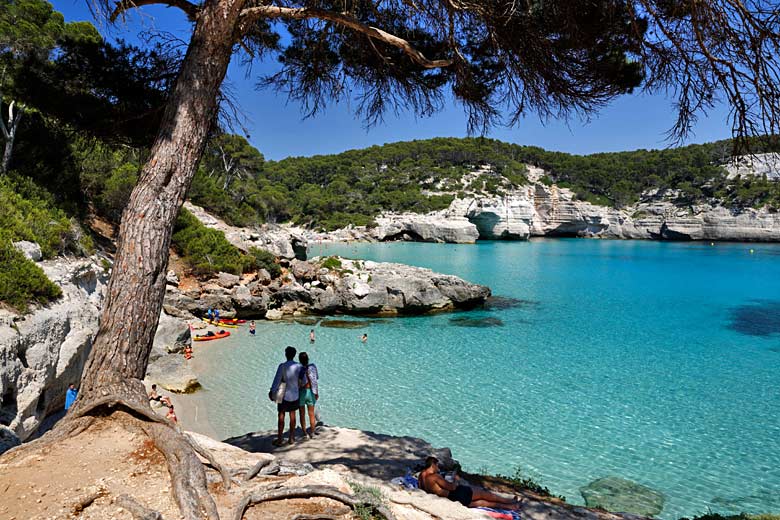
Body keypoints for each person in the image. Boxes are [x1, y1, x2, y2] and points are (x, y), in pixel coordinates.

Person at [419, 457, 523, 510]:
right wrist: (456, 479)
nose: (438, 468)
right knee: (485, 494)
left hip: (451, 498)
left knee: (482, 502)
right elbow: (452, 487)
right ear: (433, 465)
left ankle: (511, 506)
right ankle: (509, 501)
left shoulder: (421, 475)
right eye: (437, 465)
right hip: (456, 494)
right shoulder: (434, 477)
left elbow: (424, 488)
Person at [268, 346, 302, 446]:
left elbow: (277, 380)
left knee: (281, 414)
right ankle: (291, 438)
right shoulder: (299, 366)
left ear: (286, 354)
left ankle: (280, 439)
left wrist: (272, 392)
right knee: (292, 415)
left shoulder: (282, 366)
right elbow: (301, 380)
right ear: (294, 355)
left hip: (282, 391)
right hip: (295, 392)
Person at [297, 352, 319, 439]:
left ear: (299, 360)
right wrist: (316, 393)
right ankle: (312, 432)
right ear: (308, 358)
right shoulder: (313, 367)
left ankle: (304, 432)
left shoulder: (298, 369)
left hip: (301, 392)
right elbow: (315, 379)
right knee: (311, 414)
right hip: (310, 392)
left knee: (302, 414)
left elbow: (297, 382)